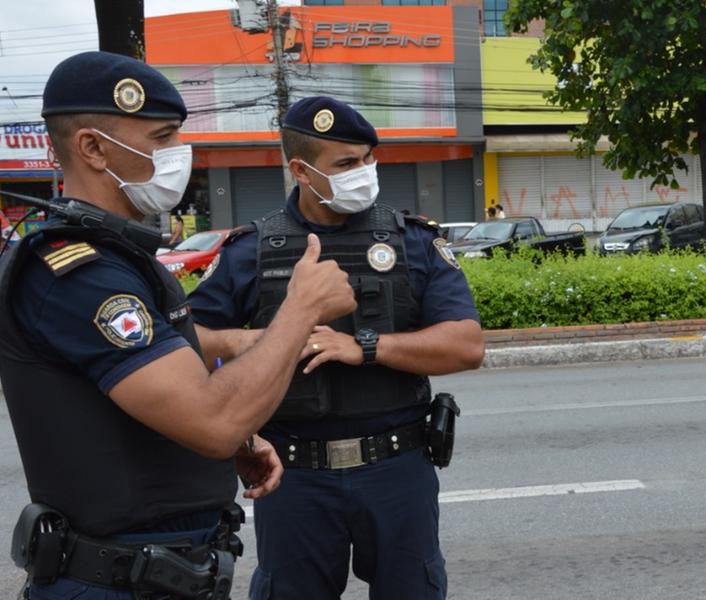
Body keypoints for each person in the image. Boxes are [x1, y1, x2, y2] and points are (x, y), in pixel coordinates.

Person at [0, 52, 357, 599]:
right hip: (116, 582)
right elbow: (209, 419)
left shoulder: (120, 257)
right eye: (162, 138)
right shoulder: (79, 274)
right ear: (93, 148)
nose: (177, 155)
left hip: (162, 573)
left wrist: (234, 441)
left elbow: (147, 397)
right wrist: (301, 308)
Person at [189, 96, 485, 600]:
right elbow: (187, 342)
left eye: (369, 158)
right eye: (347, 163)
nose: (365, 172)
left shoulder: (411, 241)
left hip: (397, 469)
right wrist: (255, 340)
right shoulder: (253, 250)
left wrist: (365, 346)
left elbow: (467, 345)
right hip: (295, 476)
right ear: (301, 170)